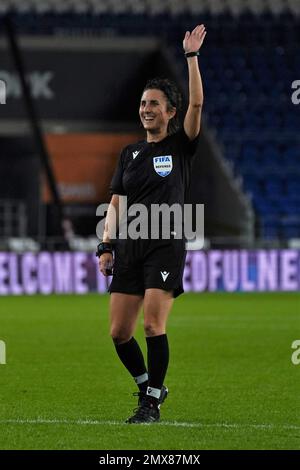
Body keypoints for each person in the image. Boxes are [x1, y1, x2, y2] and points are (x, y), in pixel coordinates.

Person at [97, 25, 206, 424]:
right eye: (143, 103)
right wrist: (106, 246)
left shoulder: (180, 144)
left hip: (165, 243)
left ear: (170, 112)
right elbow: (115, 202)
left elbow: (197, 106)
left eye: (154, 103)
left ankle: (151, 405)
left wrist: (191, 58)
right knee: (118, 332)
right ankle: (149, 387)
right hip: (130, 246)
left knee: (151, 323)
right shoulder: (129, 154)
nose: (146, 109)